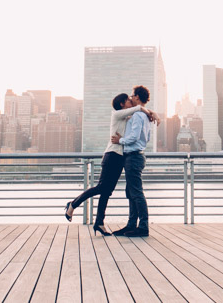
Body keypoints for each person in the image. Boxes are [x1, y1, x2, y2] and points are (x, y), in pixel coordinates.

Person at [64, 92, 158, 236]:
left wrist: (153, 114)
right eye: (128, 100)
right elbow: (138, 109)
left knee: (107, 192)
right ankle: (73, 204)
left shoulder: (128, 117)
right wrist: (150, 112)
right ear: (122, 104)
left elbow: (138, 114)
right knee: (102, 187)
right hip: (112, 155)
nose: (131, 101)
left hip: (121, 157)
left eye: (132, 98)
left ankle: (99, 223)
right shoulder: (117, 114)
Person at [111, 85, 153, 237]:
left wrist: (120, 140)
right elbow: (146, 138)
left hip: (133, 156)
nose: (130, 98)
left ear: (137, 97)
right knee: (131, 192)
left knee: (136, 193)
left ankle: (142, 227)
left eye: (132, 95)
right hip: (137, 155)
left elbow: (134, 137)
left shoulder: (137, 116)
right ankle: (131, 225)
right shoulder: (145, 116)